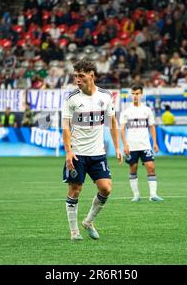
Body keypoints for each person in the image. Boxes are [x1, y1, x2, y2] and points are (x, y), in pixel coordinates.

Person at [62, 60, 123, 241]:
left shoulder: (105, 96)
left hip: (98, 153)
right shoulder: (72, 98)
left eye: (81, 75)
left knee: (106, 188)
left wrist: (117, 147)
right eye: (76, 76)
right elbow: (65, 127)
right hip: (77, 153)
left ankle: (88, 221)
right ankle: (74, 232)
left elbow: (112, 122)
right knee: (75, 189)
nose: (77, 79)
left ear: (91, 75)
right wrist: (68, 151)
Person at [120, 85, 162, 202]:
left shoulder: (147, 110)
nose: (135, 96)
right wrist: (125, 144)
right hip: (132, 145)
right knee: (133, 169)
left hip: (145, 145)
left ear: (142, 95)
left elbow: (152, 127)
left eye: (137, 94)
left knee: (151, 167)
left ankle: (153, 195)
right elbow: (122, 129)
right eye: (133, 94)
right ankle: (136, 195)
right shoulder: (126, 111)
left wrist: (155, 143)